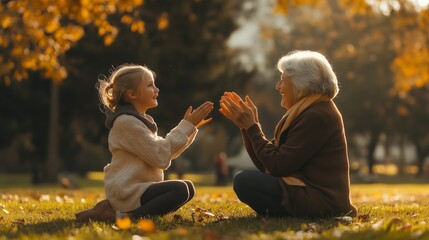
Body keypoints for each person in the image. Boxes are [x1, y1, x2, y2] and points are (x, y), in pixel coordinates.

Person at [219, 50, 357, 218]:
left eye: (283, 80)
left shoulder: (317, 115)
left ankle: (286, 214)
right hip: (309, 194)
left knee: (244, 181)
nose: (278, 86)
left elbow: (278, 166)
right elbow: (267, 164)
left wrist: (252, 128)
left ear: (301, 85)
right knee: (245, 181)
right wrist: (247, 127)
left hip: (323, 201)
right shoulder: (310, 110)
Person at [75, 64, 213, 222]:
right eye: (150, 85)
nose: (157, 89)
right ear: (132, 94)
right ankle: (125, 217)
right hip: (127, 190)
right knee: (181, 189)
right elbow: (160, 156)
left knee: (188, 188)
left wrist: (190, 127)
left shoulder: (141, 121)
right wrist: (185, 126)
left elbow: (162, 152)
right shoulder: (126, 123)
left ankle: (112, 212)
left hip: (140, 189)